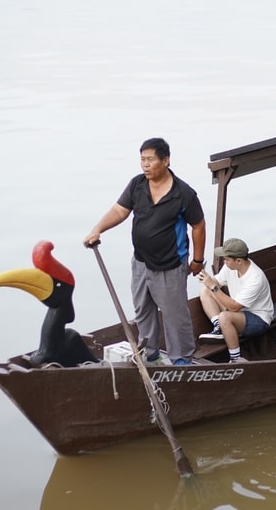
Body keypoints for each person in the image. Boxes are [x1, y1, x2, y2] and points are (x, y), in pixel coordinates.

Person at [83, 137, 206, 366]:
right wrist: (97, 229)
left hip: (171, 265)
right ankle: (150, 356)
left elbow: (198, 226)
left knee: (174, 316)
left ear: (166, 161)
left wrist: (197, 260)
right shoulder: (137, 185)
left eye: (150, 160)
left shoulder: (183, 193)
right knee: (143, 310)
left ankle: (182, 361)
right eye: (142, 160)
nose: (145, 165)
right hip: (141, 262)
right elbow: (120, 211)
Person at [196, 238, 273, 363]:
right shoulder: (231, 268)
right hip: (239, 312)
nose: (224, 262)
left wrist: (213, 286)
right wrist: (207, 279)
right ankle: (218, 326)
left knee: (225, 317)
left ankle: (236, 358)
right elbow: (216, 284)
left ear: (238, 260)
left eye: (226, 259)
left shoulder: (255, 278)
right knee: (205, 291)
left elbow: (234, 307)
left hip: (258, 318)